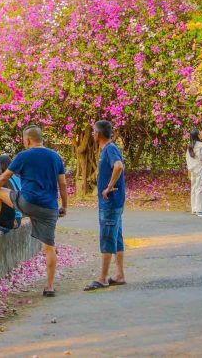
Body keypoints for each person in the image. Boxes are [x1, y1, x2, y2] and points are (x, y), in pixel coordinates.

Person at [0, 124, 68, 297]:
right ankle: (49, 287)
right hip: (49, 208)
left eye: (24, 139)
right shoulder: (55, 156)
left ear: (28, 139)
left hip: (27, 203)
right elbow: (62, 184)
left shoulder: (23, 156)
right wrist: (65, 206)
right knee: (49, 246)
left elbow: (4, 178)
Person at [85, 120, 126, 291]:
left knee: (107, 237)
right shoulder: (107, 149)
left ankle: (103, 277)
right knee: (116, 237)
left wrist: (109, 187)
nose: (92, 134)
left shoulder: (109, 149)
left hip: (110, 202)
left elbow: (118, 166)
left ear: (99, 134)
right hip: (114, 202)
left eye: (94, 131)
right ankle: (119, 274)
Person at [185, 129, 202, 217]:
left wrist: (189, 168)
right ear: (197, 135)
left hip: (193, 170)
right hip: (200, 169)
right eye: (201, 133)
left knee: (194, 189)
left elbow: (188, 159)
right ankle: (200, 209)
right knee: (200, 189)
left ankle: (194, 208)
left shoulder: (190, 146)